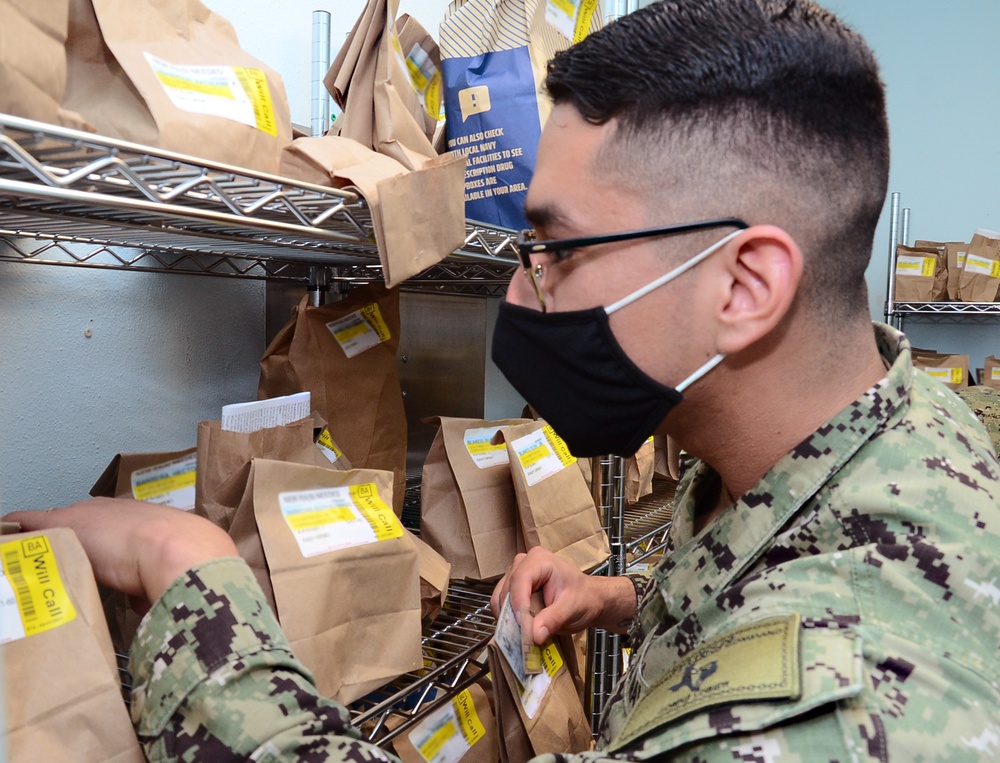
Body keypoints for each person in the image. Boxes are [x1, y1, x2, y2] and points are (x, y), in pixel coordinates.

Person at [10, 0, 1000, 760]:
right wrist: (616, 597)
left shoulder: (830, 715)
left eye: (556, 251)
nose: (519, 301)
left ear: (745, 284)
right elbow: (778, 575)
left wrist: (188, 569)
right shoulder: (900, 426)